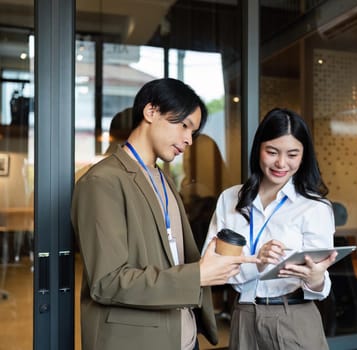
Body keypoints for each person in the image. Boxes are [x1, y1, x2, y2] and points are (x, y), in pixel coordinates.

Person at [71, 78, 258, 350]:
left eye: (193, 132)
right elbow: (107, 282)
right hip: (136, 341)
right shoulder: (102, 181)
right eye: (183, 126)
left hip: (183, 334)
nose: (188, 140)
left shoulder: (163, 180)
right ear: (151, 112)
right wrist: (198, 276)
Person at [202, 107, 337, 350]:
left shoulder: (314, 208)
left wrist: (316, 278)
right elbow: (210, 266)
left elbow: (319, 285)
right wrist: (258, 262)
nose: (281, 163)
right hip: (243, 315)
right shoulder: (230, 199)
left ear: (304, 155)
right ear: (258, 150)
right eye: (272, 152)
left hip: (293, 316)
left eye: (292, 154)